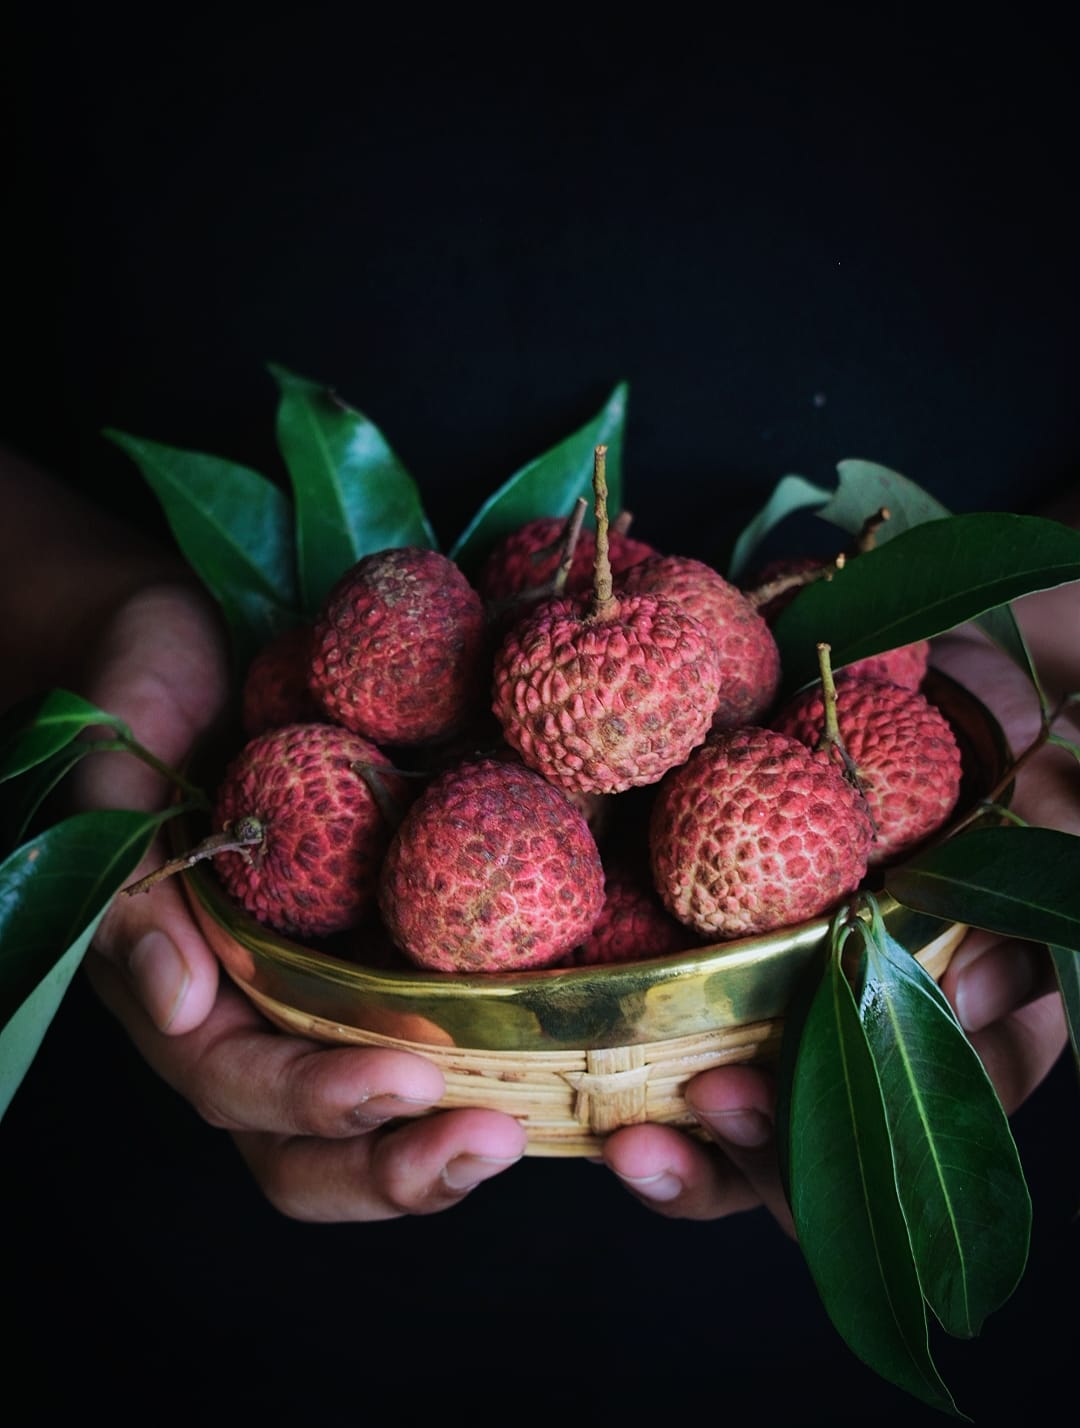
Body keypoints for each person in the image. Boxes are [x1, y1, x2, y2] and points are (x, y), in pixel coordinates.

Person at [3, 12, 1078, 1424]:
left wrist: (1052, 634)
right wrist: (63, 603)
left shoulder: (744, 698)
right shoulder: (423, 709)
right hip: (159, 1280)